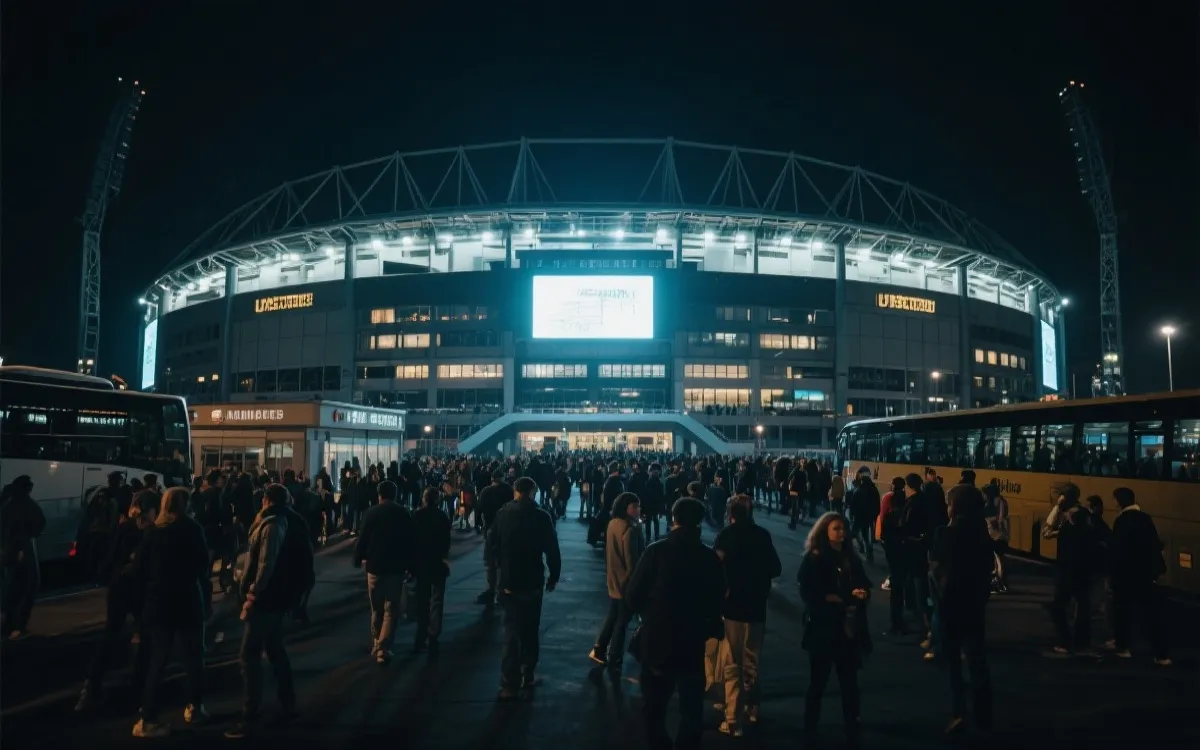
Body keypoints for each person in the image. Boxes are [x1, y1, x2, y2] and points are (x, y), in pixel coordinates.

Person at [625, 498, 724, 750]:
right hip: (692, 640)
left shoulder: (656, 551)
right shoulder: (708, 557)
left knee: (654, 707)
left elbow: (633, 595)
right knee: (691, 708)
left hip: (657, 638)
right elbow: (717, 599)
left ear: (674, 518)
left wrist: (650, 613)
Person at [225, 484, 313, 739]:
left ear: (266, 500)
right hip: (279, 597)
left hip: (267, 598)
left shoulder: (273, 523)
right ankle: (287, 704)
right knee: (275, 650)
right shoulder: (289, 520)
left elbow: (266, 563)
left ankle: (250, 714)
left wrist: (253, 592)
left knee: (248, 654)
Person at [131, 488, 210, 739]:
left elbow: (139, 570)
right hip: (187, 599)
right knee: (194, 657)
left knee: (158, 660)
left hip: (159, 602)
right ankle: (194, 707)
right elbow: (203, 566)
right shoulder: (192, 529)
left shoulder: (154, 532)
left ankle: (148, 718)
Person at [76, 489, 159, 712]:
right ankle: (138, 688)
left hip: (119, 588)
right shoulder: (151, 533)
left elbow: (111, 558)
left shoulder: (125, 528)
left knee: (111, 636)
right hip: (138, 590)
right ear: (150, 510)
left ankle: (91, 688)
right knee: (145, 637)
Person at [798, 511, 871, 747]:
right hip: (823, 628)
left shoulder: (851, 557)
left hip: (847, 628)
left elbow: (862, 583)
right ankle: (810, 727)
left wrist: (861, 593)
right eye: (836, 529)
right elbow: (809, 592)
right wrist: (839, 597)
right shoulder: (816, 558)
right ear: (825, 531)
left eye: (843, 529)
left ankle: (853, 726)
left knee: (849, 682)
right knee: (818, 682)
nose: (841, 533)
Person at [712, 493, 782, 737]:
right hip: (756, 607)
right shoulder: (762, 535)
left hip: (732, 607)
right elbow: (775, 568)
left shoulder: (726, 536)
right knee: (752, 660)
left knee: (732, 662)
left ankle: (732, 717)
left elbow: (715, 567)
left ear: (731, 513)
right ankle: (752, 706)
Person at [929, 484, 994, 734]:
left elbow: (936, 569)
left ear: (955, 507)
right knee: (977, 660)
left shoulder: (945, 533)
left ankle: (959, 712)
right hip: (975, 605)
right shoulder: (982, 534)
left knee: (953, 661)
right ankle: (983, 714)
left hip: (950, 605)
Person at [492, 476, 561, 699]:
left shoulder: (503, 514)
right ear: (532, 492)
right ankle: (527, 672)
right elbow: (552, 550)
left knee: (511, 631)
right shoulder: (541, 517)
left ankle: (508, 681)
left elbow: (492, 544)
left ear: (515, 491)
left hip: (509, 581)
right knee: (531, 629)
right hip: (532, 581)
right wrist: (554, 576)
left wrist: (499, 568)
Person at [353, 479, 415, 664]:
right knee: (391, 608)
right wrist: (411, 565)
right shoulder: (403, 513)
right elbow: (409, 541)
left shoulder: (371, 513)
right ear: (395, 495)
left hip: (374, 566)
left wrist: (358, 558)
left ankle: (376, 641)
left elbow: (363, 538)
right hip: (395, 566)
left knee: (376, 608)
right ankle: (383, 646)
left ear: (379, 495)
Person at [1109, 487, 1171, 665]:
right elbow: (1154, 545)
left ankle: (1123, 647)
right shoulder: (1145, 518)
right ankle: (1161, 654)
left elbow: (1118, 550)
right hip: (1146, 574)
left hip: (1126, 574)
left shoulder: (1121, 520)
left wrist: (1113, 574)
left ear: (1120, 502)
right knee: (1152, 615)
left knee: (1123, 613)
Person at [589, 491, 644, 671]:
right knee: (622, 620)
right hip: (626, 582)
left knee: (613, 615)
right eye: (634, 506)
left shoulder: (612, 524)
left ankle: (599, 648)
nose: (638, 509)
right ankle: (614, 655)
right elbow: (632, 561)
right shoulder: (631, 529)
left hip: (613, 578)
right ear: (625, 508)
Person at [1042, 482, 1099, 656]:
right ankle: (1082, 644)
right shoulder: (1082, 514)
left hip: (1068, 569)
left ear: (1065, 497)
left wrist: (1057, 507)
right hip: (1082, 569)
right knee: (1082, 606)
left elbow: (1047, 529)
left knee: (1058, 607)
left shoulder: (1072, 515)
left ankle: (1066, 642)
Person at [412, 486, 452, 652]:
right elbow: (446, 542)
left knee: (422, 600)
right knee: (437, 600)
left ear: (424, 499)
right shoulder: (442, 517)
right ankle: (434, 633)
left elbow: (411, 541)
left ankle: (421, 634)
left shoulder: (417, 516)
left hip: (421, 563)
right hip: (437, 563)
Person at [475, 470, 511, 605]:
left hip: (490, 529)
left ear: (492, 478)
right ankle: (502, 590)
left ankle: (491, 589)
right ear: (503, 477)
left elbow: (479, 509)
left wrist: (478, 524)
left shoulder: (486, 491)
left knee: (490, 562)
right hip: (506, 529)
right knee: (503, 561)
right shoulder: (509, 490)